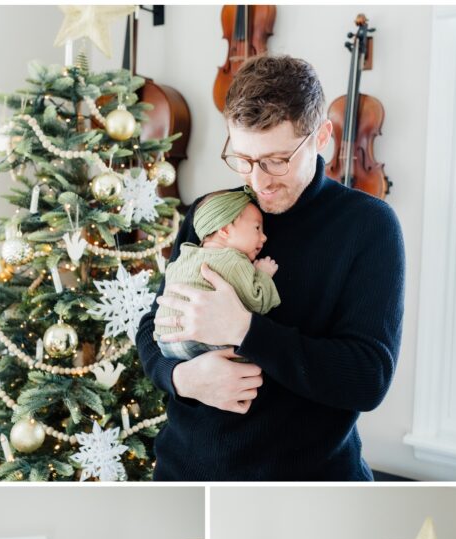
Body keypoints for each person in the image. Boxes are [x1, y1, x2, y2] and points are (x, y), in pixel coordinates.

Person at [136, 55, 404, 481]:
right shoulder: (216, 213)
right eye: (243, 159)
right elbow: (154, 322)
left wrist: (245, 330)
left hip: (307, 486)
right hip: (184, 473)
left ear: (321, 138)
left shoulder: (369, 226)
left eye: (277, 160)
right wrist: (182, 378)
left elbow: (368, 378)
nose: (258, 181)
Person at [156, 189, 279, 360]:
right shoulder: (234, 260)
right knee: (251, 358)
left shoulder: (184, 255)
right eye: (257, 228)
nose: (264, 237)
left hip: (165, 340)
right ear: (225, 230)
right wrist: (263, 274)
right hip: (201, 341)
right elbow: (257, 303)